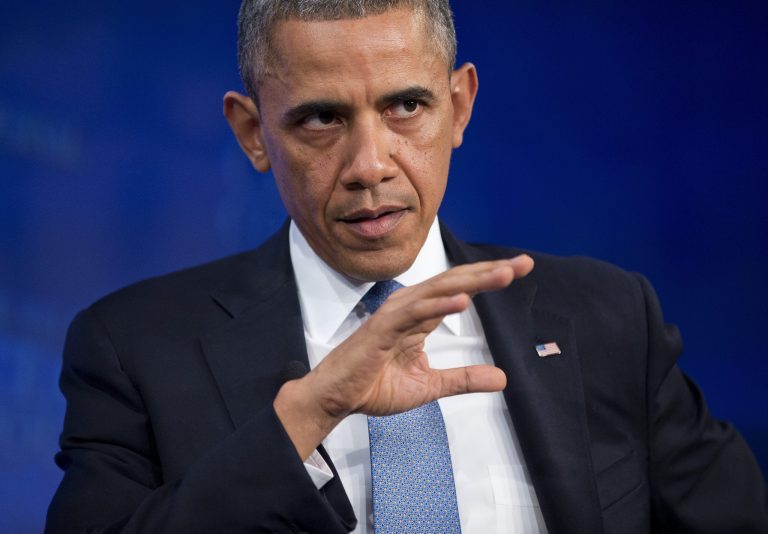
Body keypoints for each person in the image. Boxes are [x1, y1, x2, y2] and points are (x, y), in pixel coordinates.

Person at [46, 1, 767, 532]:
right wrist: (302, 418)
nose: (369, 166)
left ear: (458, 106)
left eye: (405, 106)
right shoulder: (134, 347)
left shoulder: (607, 317)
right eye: (321, 119)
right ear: (252, 132)